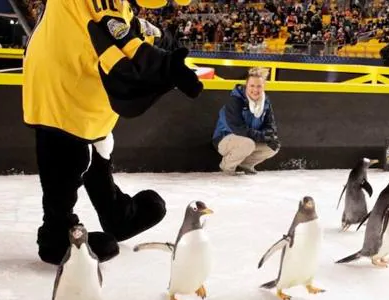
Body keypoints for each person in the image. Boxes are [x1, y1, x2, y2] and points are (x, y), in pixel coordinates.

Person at [22, 0, 203, 265]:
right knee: (67, 161)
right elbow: (115, 35)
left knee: (98, 154)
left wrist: (151, 34)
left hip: (87, 93)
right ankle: (57, 234)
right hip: (64, 93)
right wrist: (165, 66)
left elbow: (122, 26)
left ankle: (117, 215)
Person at [212, 67, 280, 175]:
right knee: (248, 144)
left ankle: (246, 164)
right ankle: (227, 166)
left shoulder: (265, 102)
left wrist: (269, 136)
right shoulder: (235, 100)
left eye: (259, 86)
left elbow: (270, 126)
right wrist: (262, 136)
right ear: (246, 85)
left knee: (273, 146)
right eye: (252, 86)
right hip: (225, 139)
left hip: (249, 138)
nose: (255, 90)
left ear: (264, 87)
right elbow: (239, 129)